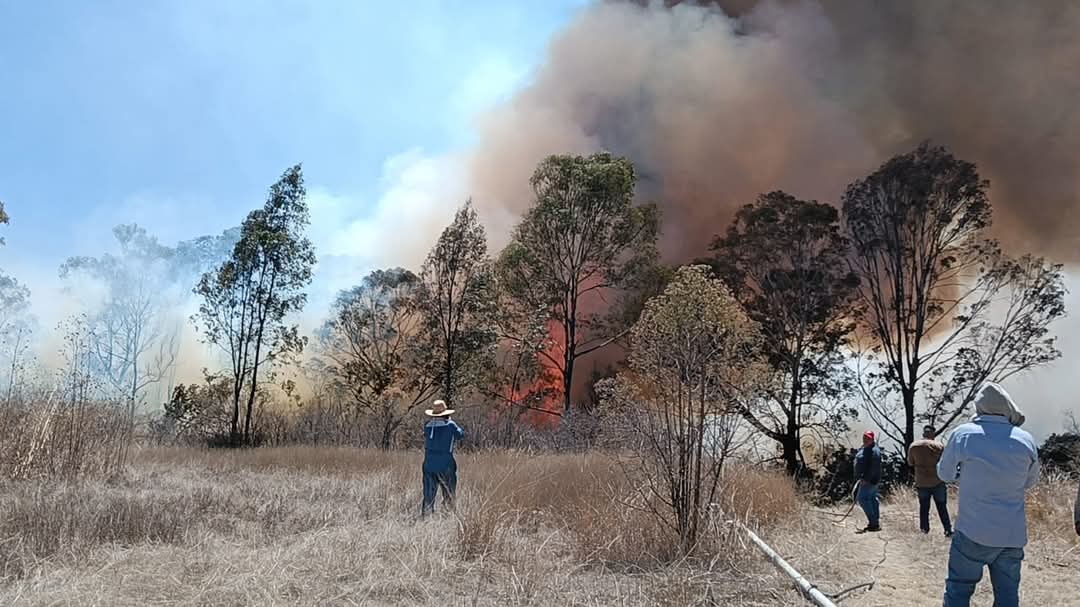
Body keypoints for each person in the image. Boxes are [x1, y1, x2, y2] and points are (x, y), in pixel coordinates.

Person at [937, 382, 1040, 607]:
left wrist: (963, 476)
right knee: (1007, 596)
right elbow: (1030, 482)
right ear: (1007, 408)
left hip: (972, 531)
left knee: (959, 590)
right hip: (1011, 536)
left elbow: (944, 474)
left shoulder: (963, 434)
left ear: (979, 407)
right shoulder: (1026, 439)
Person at [421, 399, 464, 517]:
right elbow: (460, 435)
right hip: (446, 463)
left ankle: (426, 516)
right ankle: (448, 515)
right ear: (446, 413)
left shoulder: (428, 426)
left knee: (428, 494)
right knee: (449, 491)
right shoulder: (450, 425)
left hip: (428, 463)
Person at [908, 424, 954, 537]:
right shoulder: (939, 446)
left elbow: (910, 462)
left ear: (923, 433)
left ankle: (924, 531)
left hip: (921, 481)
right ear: (933, 434)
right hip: (937, 481)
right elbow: (945, 463)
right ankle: (947, 530)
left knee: (924, 508)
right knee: (942, 507)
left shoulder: (914, 446)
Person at [854, 430, 883, 533]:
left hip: (869, 481)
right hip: (870, 480)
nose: (865, 440)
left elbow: (873, 468)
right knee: (871, 498)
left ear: (872, 439)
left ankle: (873, 522)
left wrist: (865, 479)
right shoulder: (868, 449)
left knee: (862, 499)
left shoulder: (874, 452)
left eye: (867, 438)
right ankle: (875, 523)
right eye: (864, 438)